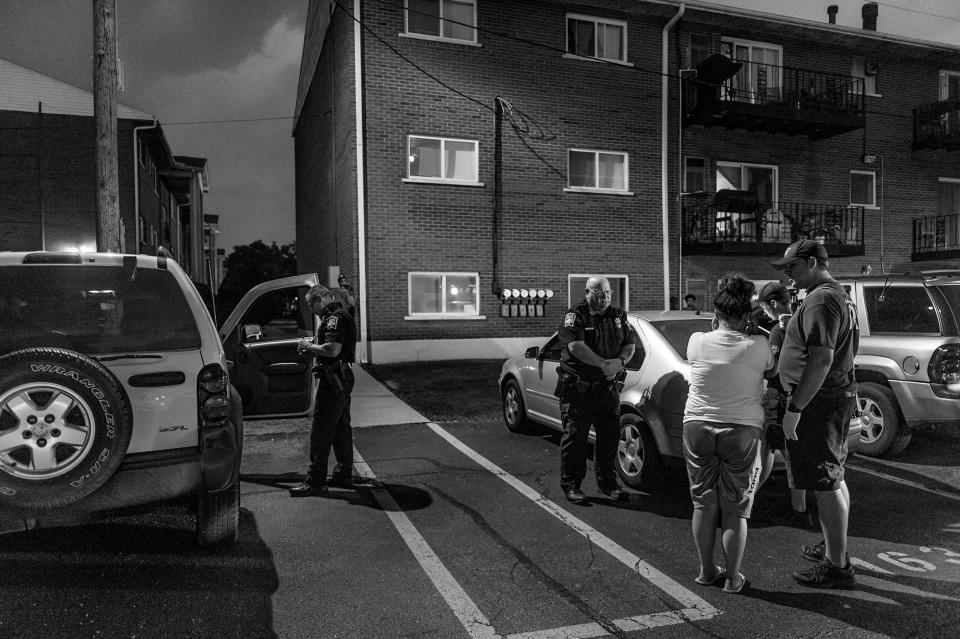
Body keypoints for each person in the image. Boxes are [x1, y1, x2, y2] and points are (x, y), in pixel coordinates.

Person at [772, 240, 859, 589]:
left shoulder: (822, 298)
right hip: (834, 396)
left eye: (791, 268)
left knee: (827, 481)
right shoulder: (837, 295)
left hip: (820, 402)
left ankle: (837, 565)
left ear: (810, 262)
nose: (787, 276)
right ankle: (835, 546)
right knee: (834, 477)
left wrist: (795, 408)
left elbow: (821, 359)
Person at [683, 274, 774, 594]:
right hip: (742, 430)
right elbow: (771, 371)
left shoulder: (696, 340)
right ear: (746, 317)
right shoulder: (759, 344)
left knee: (703, 503)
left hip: (696, 425)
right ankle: (733, 578)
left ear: (715, 316)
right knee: (735, 508)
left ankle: (707, 571)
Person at [556, 276, 635, 504]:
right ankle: (572, 486)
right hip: (579, 390)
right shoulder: (575, 316)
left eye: (608, 293)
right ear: (588, 292)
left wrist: (619, 362)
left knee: (609, 439)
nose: (605, 298)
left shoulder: (619, 316)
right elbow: (575, 347)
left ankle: (608, 484)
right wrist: (604, 364)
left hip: (607, 389)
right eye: (600, 293)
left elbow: (629, 344)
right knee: (575, 439)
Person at [290, 285, 358, 497]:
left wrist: (307, 346)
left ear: (321, 299)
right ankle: (343, 473)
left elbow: (332, 349)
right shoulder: (342, 315)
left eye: (311, 304)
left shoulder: (333, 319)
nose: (310, 309)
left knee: (321, 430)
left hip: (334, 379)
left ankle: (316, 481)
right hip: (342, 377)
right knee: (340, 428)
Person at [755, 281, 812, 529]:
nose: (764, 312)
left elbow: (773, 368)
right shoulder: (800, 322)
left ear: (774, 304)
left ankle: (752, 496)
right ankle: (799, 506)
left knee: (768, 448)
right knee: (793, 455)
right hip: (799, 394)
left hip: (779, 395)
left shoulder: (779, 330)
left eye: (764, 307)